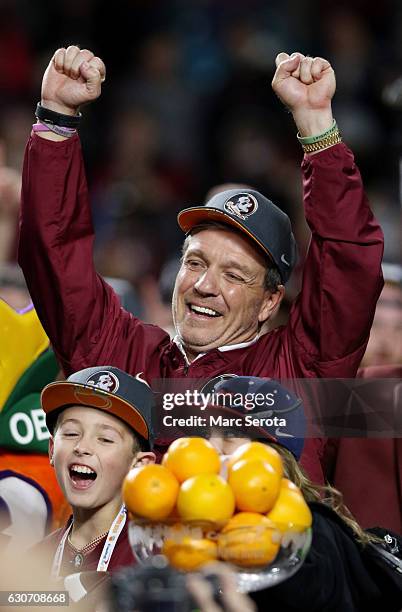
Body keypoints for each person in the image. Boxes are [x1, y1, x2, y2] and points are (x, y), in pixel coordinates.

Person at [18, 46, 384, 484]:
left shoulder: (298, 371)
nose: (204, 285)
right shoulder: (122, 354)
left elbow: (350, 263)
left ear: (270, 301)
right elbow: (53, 253)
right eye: (196, 263)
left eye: (233, 275)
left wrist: (316, 124)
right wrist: (57, 120)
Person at [204, 376, 402, 612]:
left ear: (274, 455)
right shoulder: (199, 532)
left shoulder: (311, 533)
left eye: (229, 434)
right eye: (205, 435)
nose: (209, 447)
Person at [33, 365, 156, 578]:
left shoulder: (157, 556)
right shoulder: (30, 563)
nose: (82, 447)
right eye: (71, 433)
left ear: (140, 464)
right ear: (52, 449)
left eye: (105, 439)